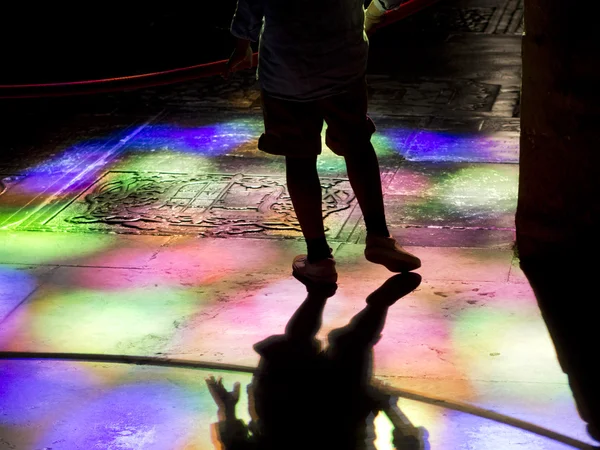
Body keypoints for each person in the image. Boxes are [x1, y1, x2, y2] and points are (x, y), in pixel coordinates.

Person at [225, 0, 420, 287]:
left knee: (300, 159)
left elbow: (250, 8)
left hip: (286, 72)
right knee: (358, 146)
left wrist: (242, 45)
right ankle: (379, 236)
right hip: (344, 62)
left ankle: (319, 259)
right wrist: (373, 13)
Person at [206, 273, 428, 449]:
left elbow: (410, 445)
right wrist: (227, 408)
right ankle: (319, 292)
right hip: (284, 414)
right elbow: (234, 444)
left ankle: (376, 306)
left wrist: (389, 408)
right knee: (295, 345)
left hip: (339, 421)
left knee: (352, 347)